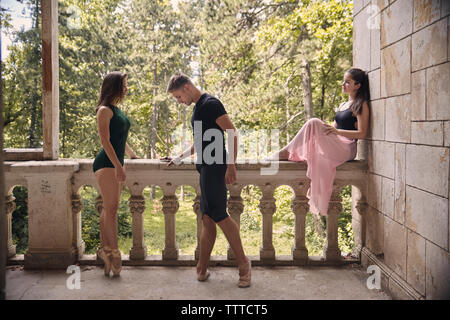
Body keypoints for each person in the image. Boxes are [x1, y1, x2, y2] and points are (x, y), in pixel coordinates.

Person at [165, 72, 251, 288]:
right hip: (204, 168)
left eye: (178, 97)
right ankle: (202, 267)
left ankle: (244, 264)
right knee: (207, 219)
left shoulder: (210, 103)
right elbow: (201, 142)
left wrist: (231, 165)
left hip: (215, 167)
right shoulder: (198, 107)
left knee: (220, 216)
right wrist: (178, 158)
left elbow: (231, 132)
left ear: (186, 88)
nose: (179, 102)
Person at [268, 68, 370, 216]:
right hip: (336, 143)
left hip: (347, 148)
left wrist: (337, 132)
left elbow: (362, 133)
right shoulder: (342, 105)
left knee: (314, 121)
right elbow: (331, 130)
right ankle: (290, 152)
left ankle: (286, 152)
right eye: (343, 81)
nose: (343, 84)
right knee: (314, 126)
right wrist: (327, 134)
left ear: (357, 85)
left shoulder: (361, 105)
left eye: (348, 82)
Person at [93, 72, 140, 277]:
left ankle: (105, 251)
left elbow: (121, 138)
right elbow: (105, 141)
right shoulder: (103, 111)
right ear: (114, 86)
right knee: (111, 211)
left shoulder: (116, 110)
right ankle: (114, 253)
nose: (126, 88)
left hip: (116, 162)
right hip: (106, 163)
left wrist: (132, 155)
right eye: (124, 84)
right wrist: (118, 166)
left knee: (109, 209)